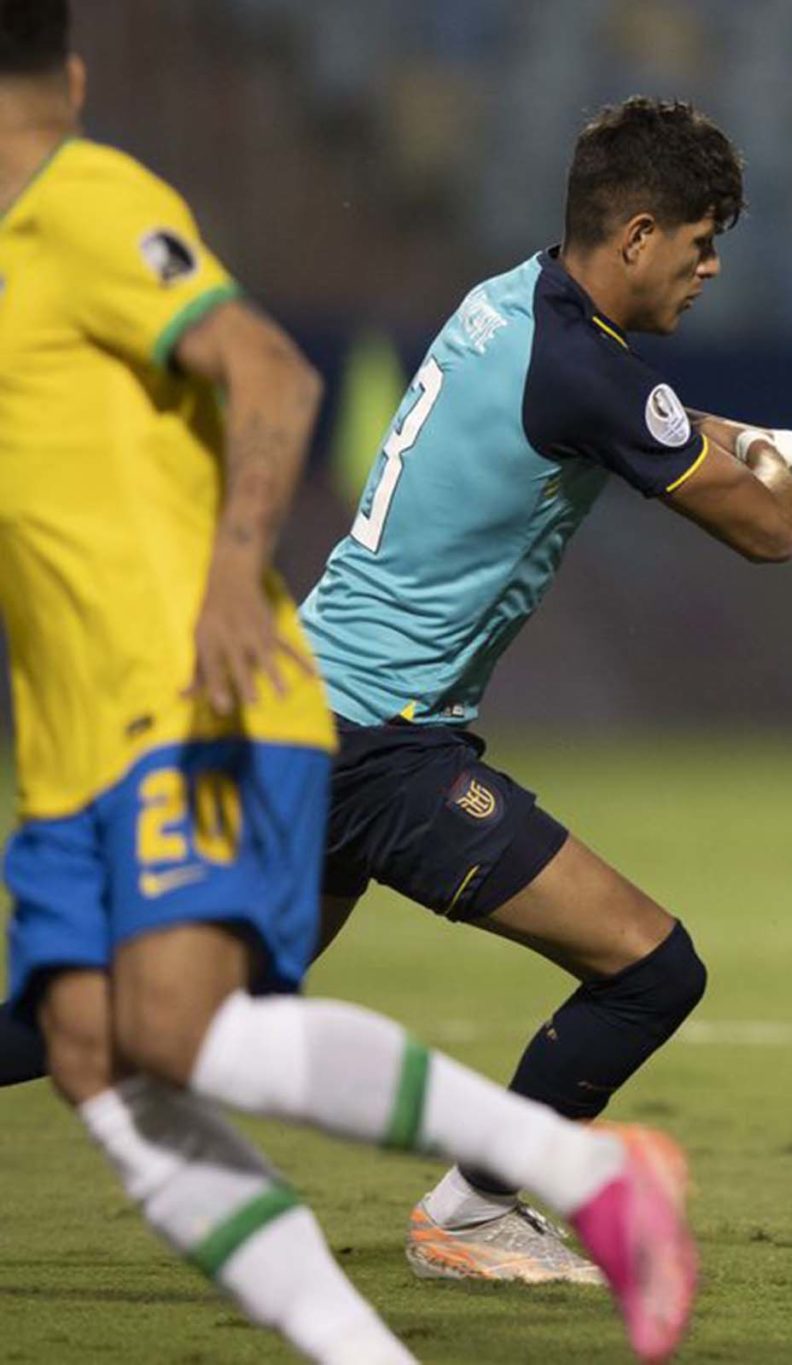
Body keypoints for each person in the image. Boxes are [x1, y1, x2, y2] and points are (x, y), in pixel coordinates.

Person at [0, 4, 693, 1360]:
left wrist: (223, 579)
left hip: (214, 700)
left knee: (167, 1031)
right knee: (99, 1039)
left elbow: (265, 372)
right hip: (93, 719)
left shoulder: (82, 202)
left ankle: (563, 1180)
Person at [298, 96, 792, 1283]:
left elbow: (646, 412)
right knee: (650, 968)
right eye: (700, 241)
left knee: (161, 1009)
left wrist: (791, 438)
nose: (712, 267)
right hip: (382, 746)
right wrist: (790, 470)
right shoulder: (581, 367)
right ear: (633, 236)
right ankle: (473, 1209)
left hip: (306, 712)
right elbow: (767, 532)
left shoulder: (512, 302)